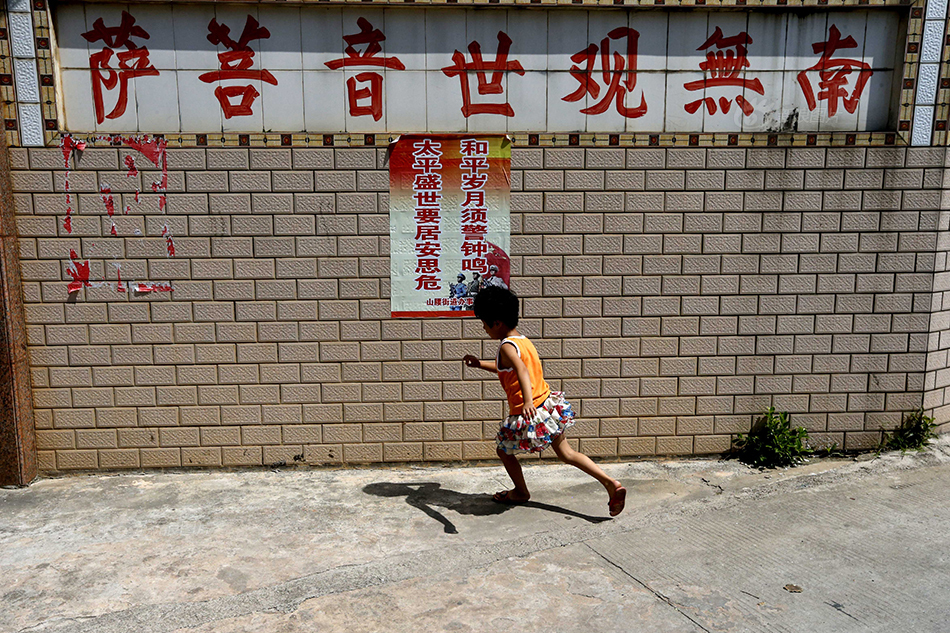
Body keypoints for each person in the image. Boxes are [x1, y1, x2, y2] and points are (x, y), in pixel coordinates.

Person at [462, 286, 627, 517]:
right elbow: (508, 369)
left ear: (497, 322)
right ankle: (611, 483)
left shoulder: (506, 347)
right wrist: (480, 364)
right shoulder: (521, 341)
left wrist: (527, 402)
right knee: (567, 454)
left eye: (485, 323)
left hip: (530, 409)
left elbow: (520, 370)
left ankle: (520, 492)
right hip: (547, 405)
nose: (484, 328)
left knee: (503, 451)